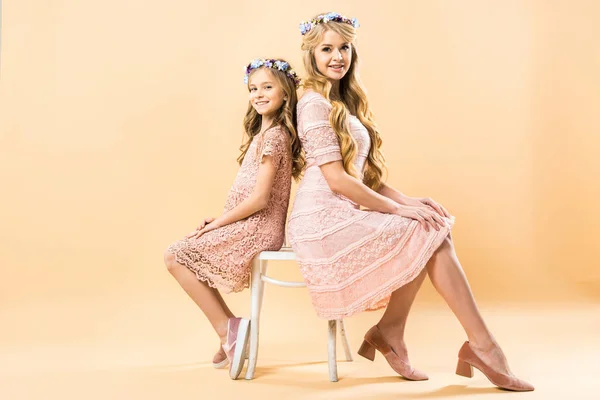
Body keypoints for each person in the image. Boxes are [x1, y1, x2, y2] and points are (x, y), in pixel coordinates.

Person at [287, 12, 533, 391]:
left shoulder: (342, 101)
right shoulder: (313, 103)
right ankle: (480, 347)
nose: (337, 56)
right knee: (426, 231)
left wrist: (410, 200)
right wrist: (400, 210)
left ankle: (393, 331)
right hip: (320, 217)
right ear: (312, 55)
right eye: (327, 49)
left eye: (344, 47)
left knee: (429, 225)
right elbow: (336, 179)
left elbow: (363, 177)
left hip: (344, 205)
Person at [164, 58, 303, 380]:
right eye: (253, 88)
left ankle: (227, 328)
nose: (258, 94)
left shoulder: (275, 137)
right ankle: (229, 328)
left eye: (267, 87)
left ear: (286, 91)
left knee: (175, 255)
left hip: (260, 225)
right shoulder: (262, 133)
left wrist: (218, 225)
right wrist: (223, 219)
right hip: (247, 221)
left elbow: (260, 199)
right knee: (179, 254)